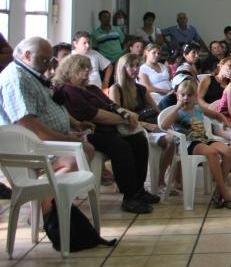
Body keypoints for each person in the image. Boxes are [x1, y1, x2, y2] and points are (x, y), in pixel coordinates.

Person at [54, 54, 158, 214]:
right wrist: (124, 120)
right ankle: (129, 196)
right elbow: (94, 114)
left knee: (139, 140)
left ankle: (139, 190)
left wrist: (126, 115)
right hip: (90, 131)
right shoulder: (69, 91)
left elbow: (111, 105)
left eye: (88, 68)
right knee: (120, 146)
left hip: (111, 128)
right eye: (82, 68)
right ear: (70, 70)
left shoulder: (92, 88)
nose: (87, 71)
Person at [0, 38, 97, 198]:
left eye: (49, 59)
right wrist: (67, 139)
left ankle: (54, 200)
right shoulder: (16, 78)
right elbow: (28, 126)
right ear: (27, 56)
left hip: (43, 141)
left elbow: (52, 104)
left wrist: (76, 124)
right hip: (28, 145)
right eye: (43, 59)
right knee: (75, 157)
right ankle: (43, 202)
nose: (48, 64)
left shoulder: (31, 73)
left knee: (86, 149)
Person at [159, 78, 231, 209]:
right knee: (212, 153)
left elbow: (216, 115)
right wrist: (177, 106)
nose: (186, 98)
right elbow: (164, 125)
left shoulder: (198, 109)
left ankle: (218, 192)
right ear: (177, 95)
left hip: (204, 139)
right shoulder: (177, 113)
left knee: (228, 151)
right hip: (189, 144)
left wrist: (224, 121)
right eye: (183, 95)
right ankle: (224, 192)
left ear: (195, 97)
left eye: (190, 95)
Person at [109, 54, 175, 195]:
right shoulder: (116, 89)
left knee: (176, 138)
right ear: (122, 68)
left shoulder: (141, 89)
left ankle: (170, 180)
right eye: (131, 66)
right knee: (170, 140)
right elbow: (117, 115)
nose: (135, 69)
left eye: (137, 66)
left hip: (150, 125)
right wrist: (145, 125)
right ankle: (160, 181)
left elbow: (157, 111)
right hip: (131, 128)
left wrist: (166, 123)